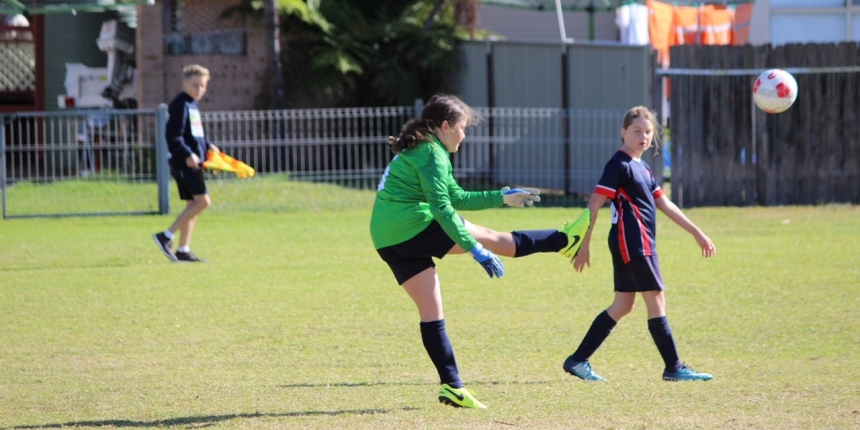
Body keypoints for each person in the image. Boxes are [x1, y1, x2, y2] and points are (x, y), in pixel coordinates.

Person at [370, 94, 591, 409]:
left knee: (432, 313)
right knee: (491, 238)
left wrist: (502, 196)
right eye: (462, 128)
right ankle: (564, 241)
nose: (464, 135)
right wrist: (476, 250)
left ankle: (452, 388)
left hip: (387, 238)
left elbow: (456, 197)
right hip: (412, 226)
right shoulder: (432, 153)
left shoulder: (425, 148)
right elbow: (444, 210)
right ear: (445, 126)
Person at [565, 105, 716, 382]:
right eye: (637, 131)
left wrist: (697, 232)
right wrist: (584, 244)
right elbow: (594, 204)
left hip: (636, 243)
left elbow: (664, 203)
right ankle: (674, 368)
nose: (643, 136)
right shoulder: (619, 165)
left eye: (648, 132)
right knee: (656, 299)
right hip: (633, 242)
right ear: (623, 133)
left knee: (623, 305)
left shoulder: (643, 168)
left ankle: (578, 360)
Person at [152, 65, 219, 263]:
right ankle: (166, 236)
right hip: (185, 163)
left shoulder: (192, 104)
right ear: (184, 84)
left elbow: (193, 136)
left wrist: (207, 145)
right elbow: (173, 135)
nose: (200, 90)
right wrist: (188, 154)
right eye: (195, 85)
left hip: (193, 162)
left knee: (193, 205)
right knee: (203, 202)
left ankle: (183, 249)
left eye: (203, 86)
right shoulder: (181, 104)